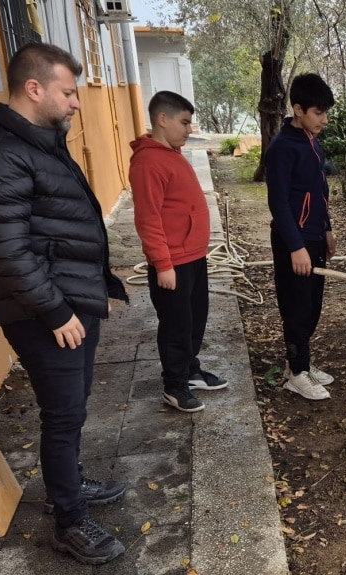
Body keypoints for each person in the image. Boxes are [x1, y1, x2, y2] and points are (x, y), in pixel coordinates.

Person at [0, 43, 129, 565]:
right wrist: (56, 312)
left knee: (73, 407)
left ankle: (70, 484)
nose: (77, 103)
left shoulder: (40, 143)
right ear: (34, 89)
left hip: (71, 300)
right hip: (43, 313)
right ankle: (69, 522)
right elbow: (4, 250)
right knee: (62, 413)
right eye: (69, 92)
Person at [130, 90, 227, 414]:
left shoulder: (171, 152)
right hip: (173, 262)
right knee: (176, 324)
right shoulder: (148, 161)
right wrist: (163, 264)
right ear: (162, 119)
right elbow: (148, 218)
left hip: (193, 256)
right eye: (184, 122)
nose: (189, 129)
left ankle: (190, 370)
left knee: (194, 318)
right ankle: (175, 386)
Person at [266, 73, 336, 400]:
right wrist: (296, 247)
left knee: (312, 307)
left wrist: (328, 229)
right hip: (293, 241)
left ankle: (301, 363)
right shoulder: (282, 147)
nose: (324, 119)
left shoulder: (312, 140)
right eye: (317, 112)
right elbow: (278, 202)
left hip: (315, 237)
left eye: (325, 112)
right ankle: (296, 373)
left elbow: (319, 189)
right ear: (298, 109)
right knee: (296, 308)